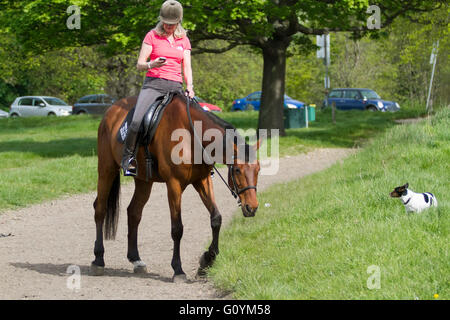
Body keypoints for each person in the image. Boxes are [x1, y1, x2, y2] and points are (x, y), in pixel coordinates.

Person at [122, 0, 194, 176]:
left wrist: (190, 87)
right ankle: (128, 158)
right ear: (161, 20)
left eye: (172, 24)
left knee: (197, 118)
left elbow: (187, 67)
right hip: (154, 85)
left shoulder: (183, 40)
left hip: (176, 87)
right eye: (166, 23)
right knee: (137, 120)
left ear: (179, 22)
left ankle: (202, 162)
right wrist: (152, 64)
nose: (169, 27)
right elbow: (139, 64)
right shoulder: (151, 36)